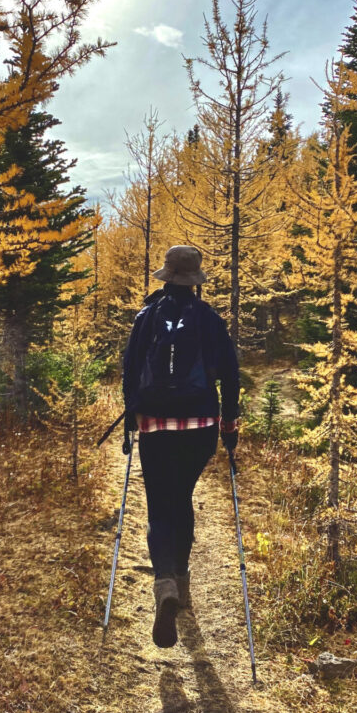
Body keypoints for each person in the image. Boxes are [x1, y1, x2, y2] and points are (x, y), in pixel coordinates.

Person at [122, 245, 240, 649]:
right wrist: (229, 423)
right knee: (182, 499)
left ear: (167, 276)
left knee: (159, 506)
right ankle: (183, 583)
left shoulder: (147, 316)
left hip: (155, 423)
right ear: (194, 280)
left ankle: (165, 582)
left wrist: (130, 420)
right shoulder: (209, 320)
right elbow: (231, 374)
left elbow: (130, 370)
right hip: (200, 425)